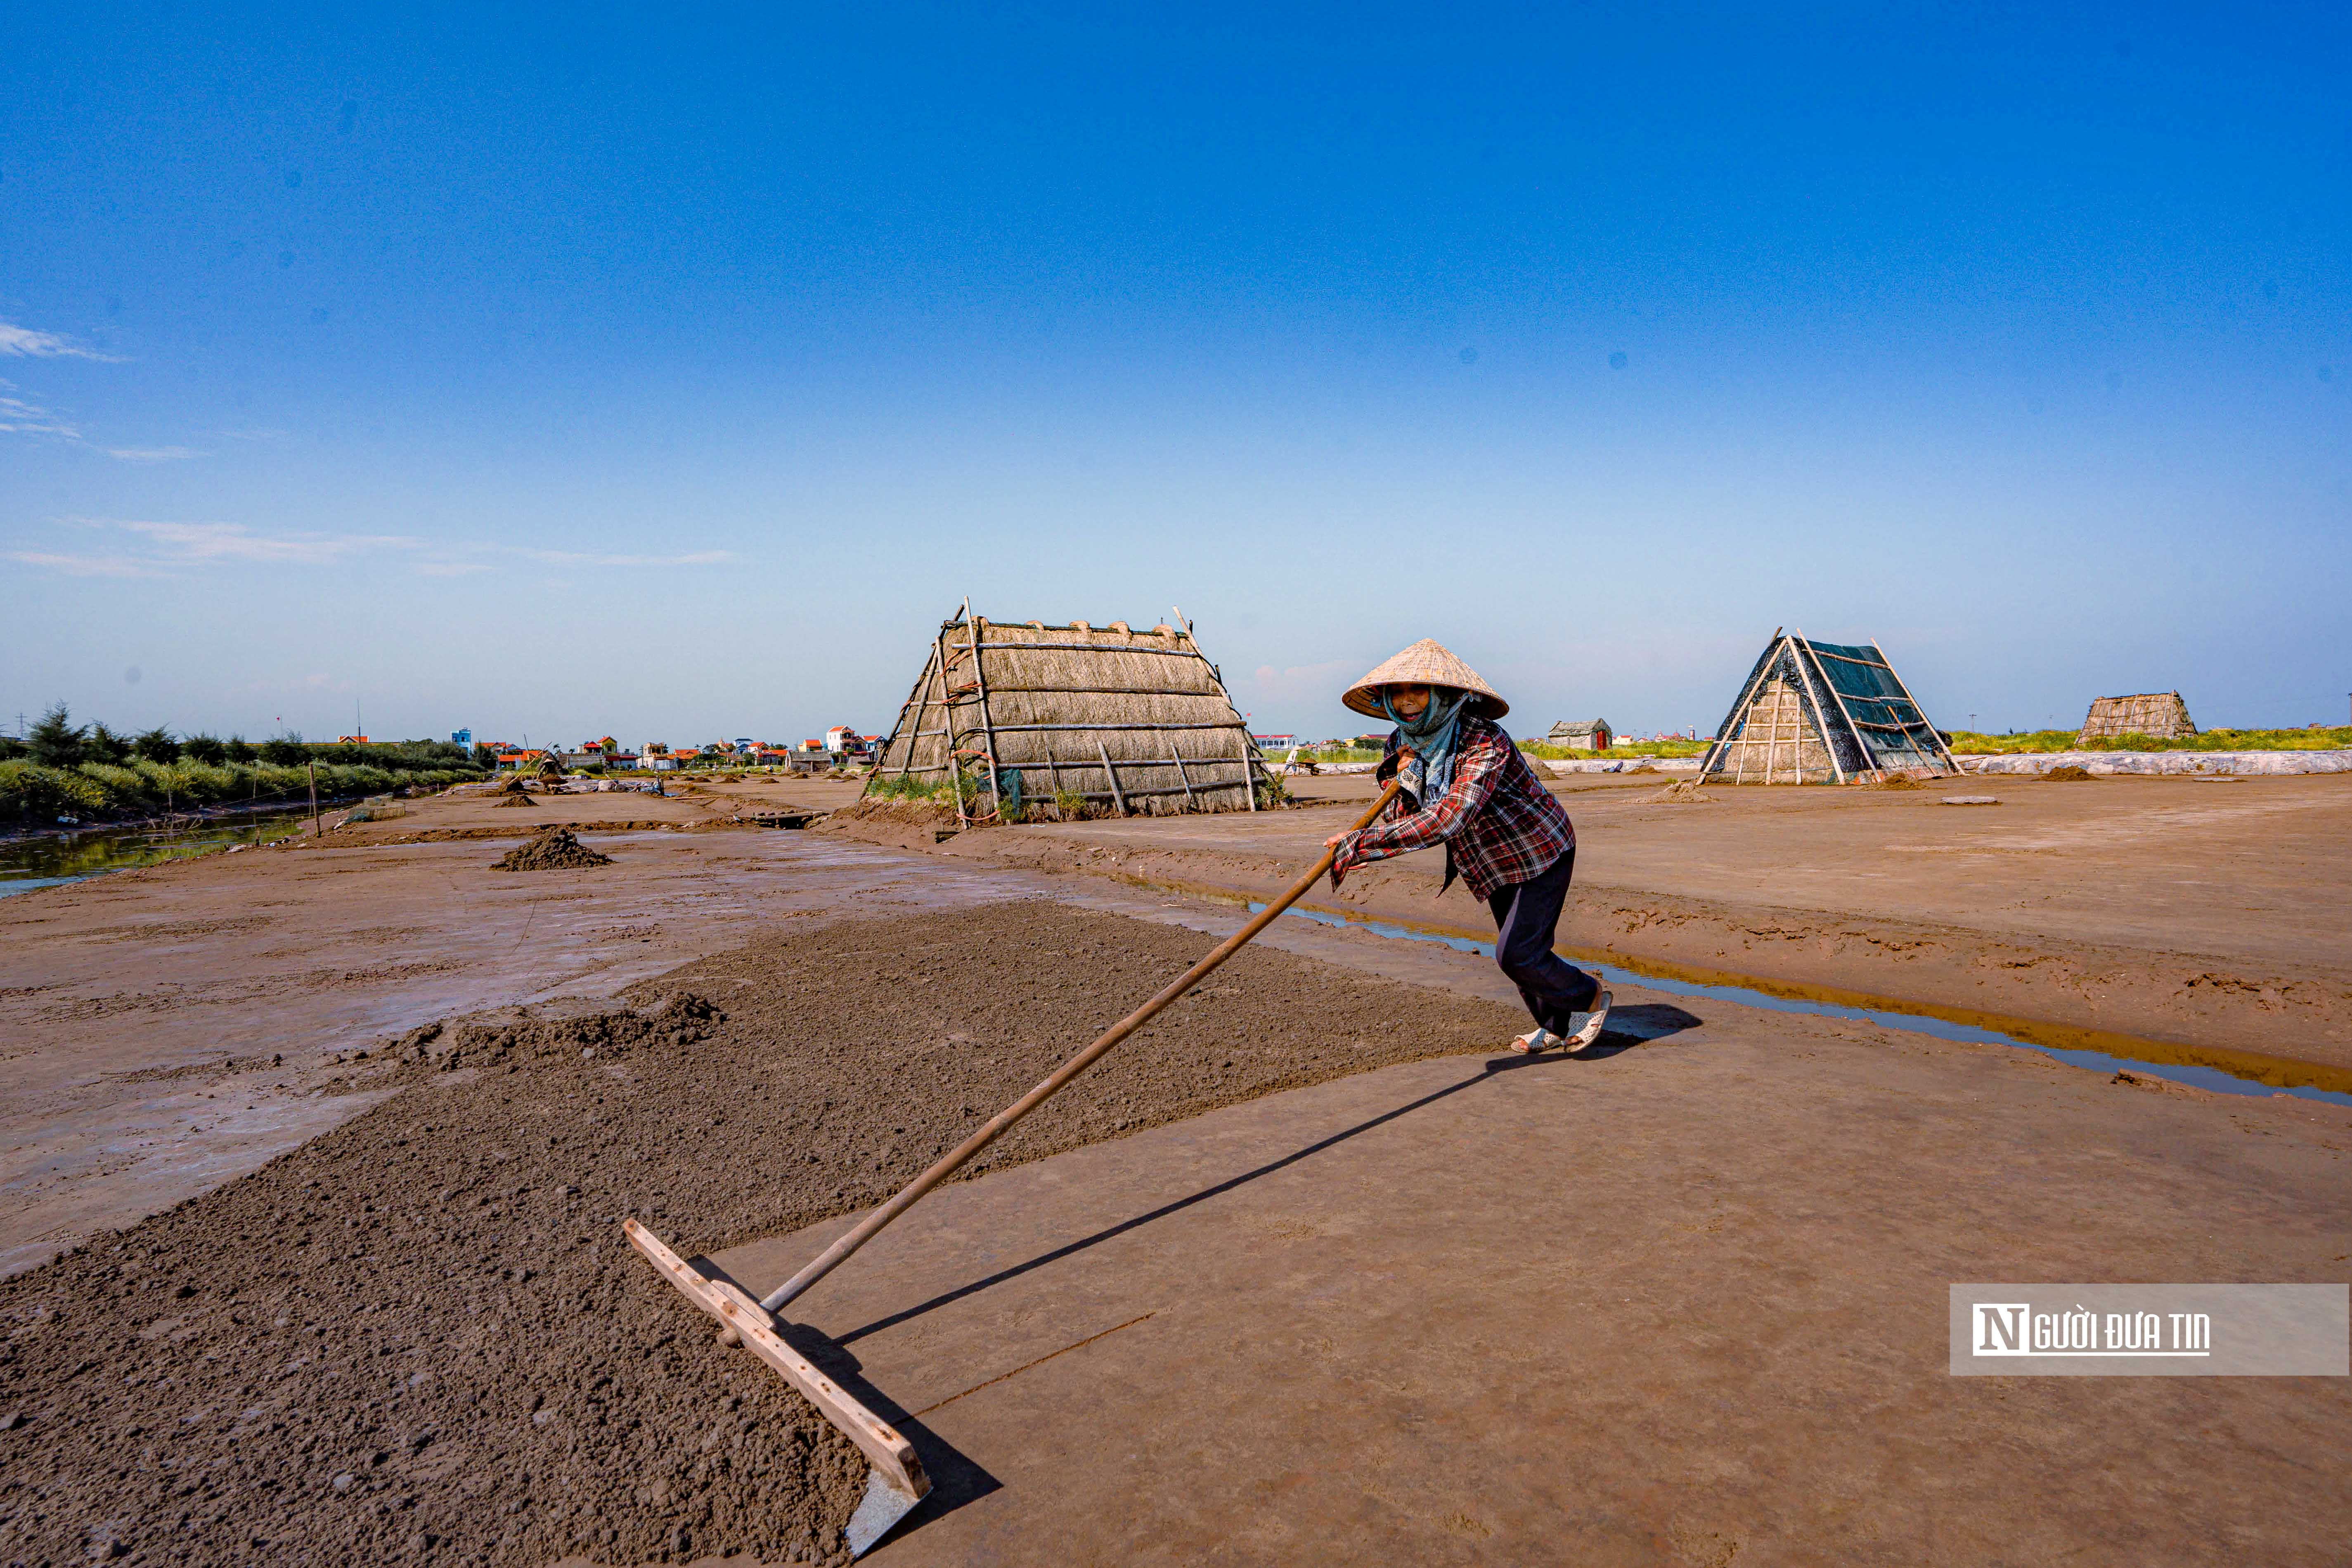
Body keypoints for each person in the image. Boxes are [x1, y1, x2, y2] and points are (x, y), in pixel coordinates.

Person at [1324, 639, 1611, 1053]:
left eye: (1418, 690)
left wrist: (1361, 845)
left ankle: (1588, 996)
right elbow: (1405, 820)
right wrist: (1405, 778)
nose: (1406, 702)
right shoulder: (1398, 745)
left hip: (1539, 848)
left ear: (1443, 695)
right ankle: (1555, 1024)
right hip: (1487, 860)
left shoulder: (1483, 738)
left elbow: (1449, 817)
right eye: (1398, 692)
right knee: (1521, 951)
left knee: (1517, 953)